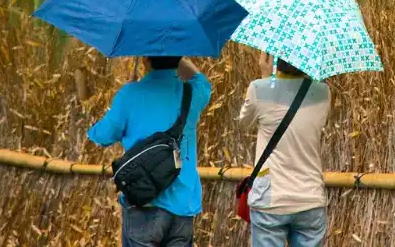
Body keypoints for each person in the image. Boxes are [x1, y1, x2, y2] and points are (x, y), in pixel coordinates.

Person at [89, 56, 212, 247]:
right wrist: (179, 58)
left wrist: (123, 101)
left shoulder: (129, 94)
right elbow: (203, 81)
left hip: (143, 202)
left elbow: (103, 136)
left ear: (145, 59)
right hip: (183, 204)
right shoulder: (192, 93)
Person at [238, 57, 331, 247]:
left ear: (276, 61)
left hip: (271, 199)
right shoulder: (322, 91)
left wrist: (266, 77)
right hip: (310, 198)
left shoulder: (259, 89)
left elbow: (243, 123)